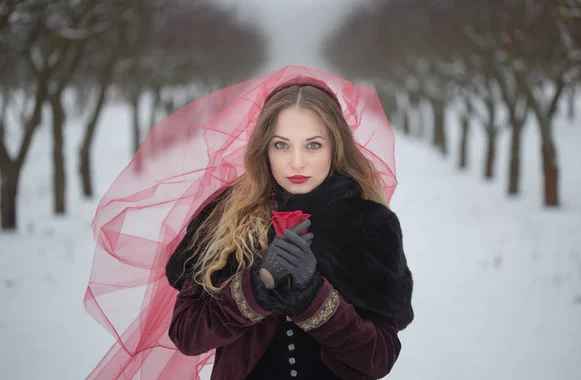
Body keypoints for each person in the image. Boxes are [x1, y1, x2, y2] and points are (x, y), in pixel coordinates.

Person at [84, 66, 413, 380]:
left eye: (313, 144)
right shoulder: (224, 219)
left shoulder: (372, 226)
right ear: (264, 148)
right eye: (281, 144)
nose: (296, 161)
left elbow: (379, 357)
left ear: (335, 146)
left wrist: (314, 298)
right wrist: (258, 284)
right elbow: (186, 334)